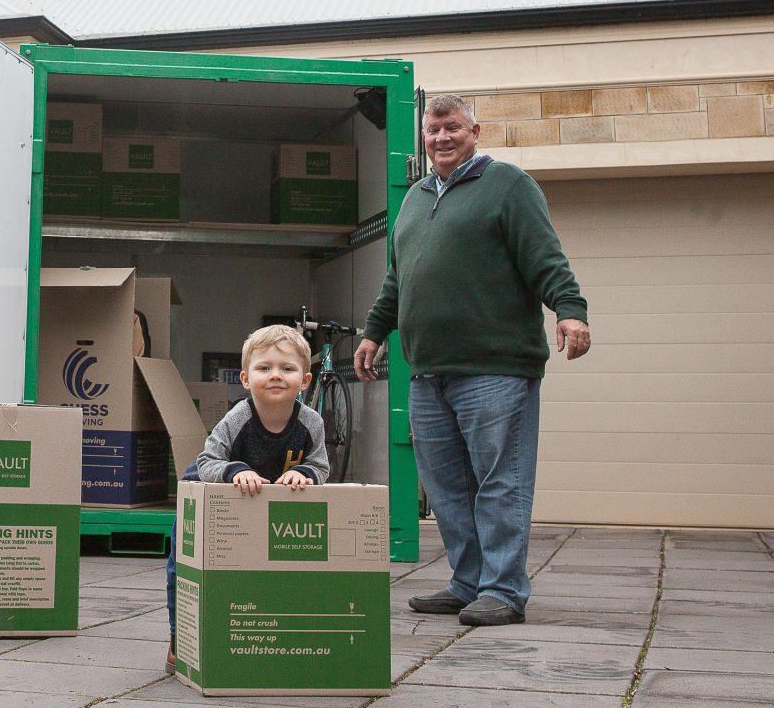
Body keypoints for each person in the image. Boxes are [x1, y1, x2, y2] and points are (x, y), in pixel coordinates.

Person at [353, 94, 589, 627]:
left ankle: (503, 591)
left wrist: (570, 311)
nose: (441, 138)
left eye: (452, 128)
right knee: (446, 487)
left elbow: (545, 258)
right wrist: (373, 332)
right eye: (433, 130)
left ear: (475, 131)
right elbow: (398, 277)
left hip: (496, 370)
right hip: (428, 372)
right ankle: (468, 582)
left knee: (499, 481)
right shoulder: (414, 198)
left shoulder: (508, 186)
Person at [167, 323, 331, 670]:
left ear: (305, 381)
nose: (275, 376)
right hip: (213, 486)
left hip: (262, 493)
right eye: (264, 368)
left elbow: (321, 464)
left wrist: (303, 473)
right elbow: (207, 460)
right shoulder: (238, 417)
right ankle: (178, 635)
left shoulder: (311, 423)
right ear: (245, 379)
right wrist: (234, 469)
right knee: (180, 563)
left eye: (287, 369)